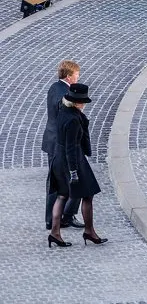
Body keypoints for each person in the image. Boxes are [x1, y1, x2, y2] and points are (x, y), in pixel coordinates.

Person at [48, 83, 107, 248]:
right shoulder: (74, 119)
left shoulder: (63, 111)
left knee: (62, 195)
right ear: (77, 102)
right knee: (88, 195)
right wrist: (74, 171)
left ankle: (55, 233)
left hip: (58, 160)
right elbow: (71, 148)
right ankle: (89, 231)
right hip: (72, 162)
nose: (84, 104)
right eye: (83, 102)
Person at [43, 61, 84, 230]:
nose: (78, 77)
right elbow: (65, 119)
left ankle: (54, 218)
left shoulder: (54, 87)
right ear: (69, 76)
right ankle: (64, 217)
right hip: (61, 144)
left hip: (52, 141)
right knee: (75, 180)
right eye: (76, 75)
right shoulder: (66, 94)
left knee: (57, 181)